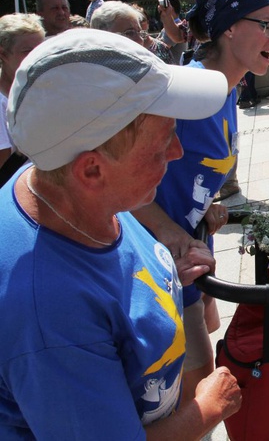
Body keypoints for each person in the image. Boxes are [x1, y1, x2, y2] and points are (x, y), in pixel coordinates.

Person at [0, 28, 241, 438]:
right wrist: (206, 408)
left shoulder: (62, 183)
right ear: (91, 169)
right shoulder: (48, 315)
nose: (177, 152)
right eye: (161, 142)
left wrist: (163, 275)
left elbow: (110, 279)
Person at [132, 0, 269, 406]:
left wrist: (206, 204)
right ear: (230, 27)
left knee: (203, 364)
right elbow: (117, 179)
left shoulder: (226, 90)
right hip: (156, 259)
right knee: (198, 393)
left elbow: (187, 168)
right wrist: (171, 232)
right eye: (267, 25)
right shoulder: (185, 90)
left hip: (190, 250)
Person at [0, 13, 45, 186]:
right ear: (3, 54)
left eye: (41, 50)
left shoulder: (38, 91)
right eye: (27, 51)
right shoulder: (1, 103)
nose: (37, 58)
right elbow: (4, 167)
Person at [156, 0, 188, 65]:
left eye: (162, 7)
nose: (159, 11)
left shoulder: (175, 27)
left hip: (175, 70)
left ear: (171, 9)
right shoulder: (172, 26)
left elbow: (160, 48)